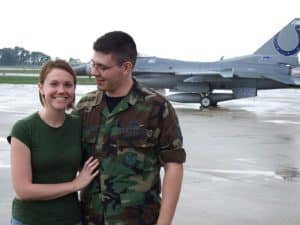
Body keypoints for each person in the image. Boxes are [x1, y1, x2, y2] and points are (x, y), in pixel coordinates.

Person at [74, 31, 186, 225]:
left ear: (126, 67)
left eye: (102, 67)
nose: (94, 72)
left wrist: (164, 223)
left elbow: (173, 165)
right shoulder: (85, 107)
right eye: (93, 64)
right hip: (90, 219)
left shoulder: (156, 108)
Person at [8, 59, 99, 225]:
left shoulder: (79, 125)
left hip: (70, 219)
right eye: (54, 84)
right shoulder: (23, 129)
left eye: (68, 85)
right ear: (41, 87)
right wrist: (75, 185)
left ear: (74, 89)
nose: (61, 90)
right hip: (30, 220)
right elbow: (23, 190)